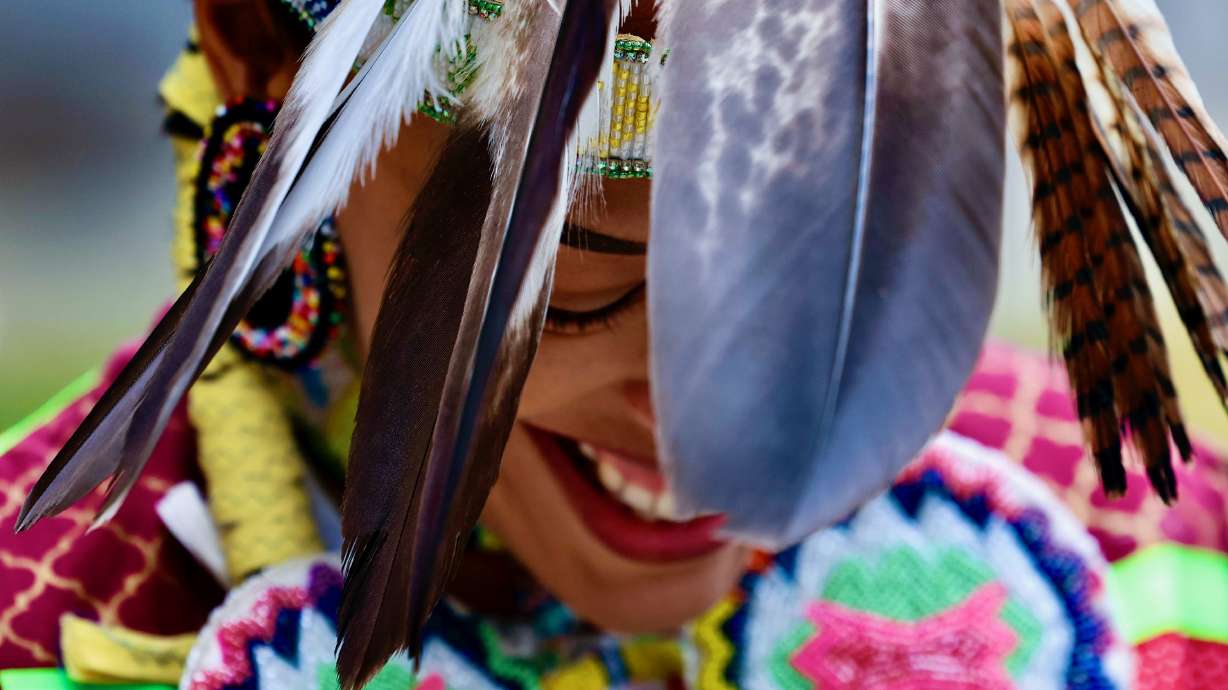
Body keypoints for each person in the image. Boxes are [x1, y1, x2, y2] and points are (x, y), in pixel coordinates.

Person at [2, 1, 1228, 688]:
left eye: (809, 287)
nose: (699, 426)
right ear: (258, 63)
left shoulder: (1163, 563)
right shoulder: (41, 618)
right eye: (580, 294)